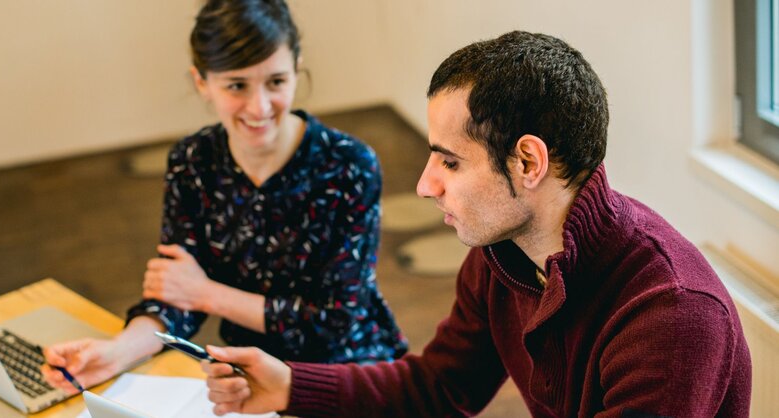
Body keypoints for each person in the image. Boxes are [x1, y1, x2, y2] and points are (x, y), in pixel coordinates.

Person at [199, 31, 752, 417]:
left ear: (528, 163)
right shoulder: (505, 256)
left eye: (450, 161)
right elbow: (439, 386)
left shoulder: (673, 316)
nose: (424, 184)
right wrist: (291, 385)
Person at [41, 0, 408, 392]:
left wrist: (208, 294)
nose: (260, 106)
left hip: (348, 372)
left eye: (277, 82)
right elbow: (175, 294)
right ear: (202, 83)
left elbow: (335, 323)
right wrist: (116, 352)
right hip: (248, 374)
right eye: (237, 85)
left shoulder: (350, 165)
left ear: (296, 70)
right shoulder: (193, 161)